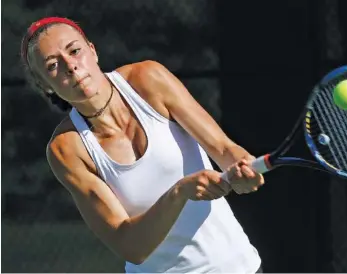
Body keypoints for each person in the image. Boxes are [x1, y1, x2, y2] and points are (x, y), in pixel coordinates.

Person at [21, 17, 265, 273]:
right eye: (52, 66)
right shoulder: (66, 149)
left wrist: (243, 167)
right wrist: (179, 192)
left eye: (74, 51)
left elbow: (225, 149)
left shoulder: (148, 79)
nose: (70, 66)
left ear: (92, 50)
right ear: (45, 86)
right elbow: (131, 247)